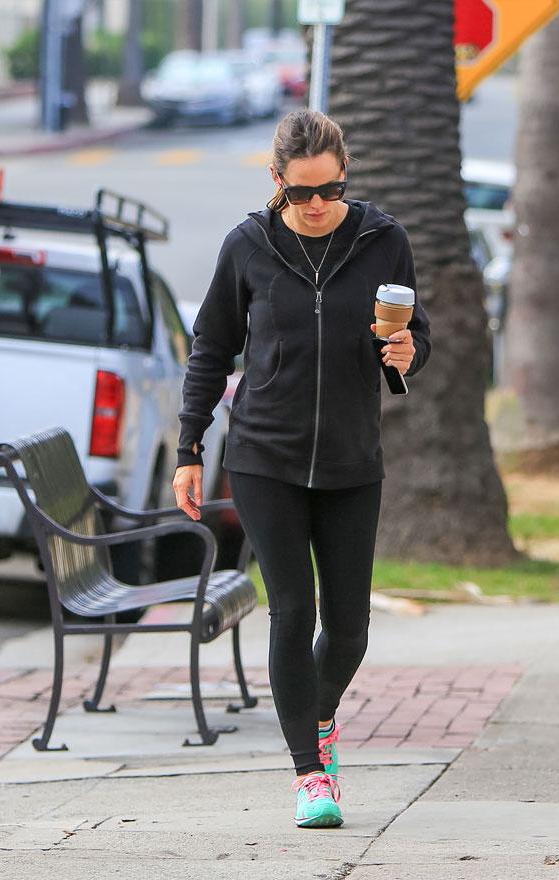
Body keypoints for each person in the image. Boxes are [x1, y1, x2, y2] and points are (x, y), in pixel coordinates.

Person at [173, 109, 432, 829]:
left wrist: (409, 354)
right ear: (277, 181)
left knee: (349, 628)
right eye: (300, 192)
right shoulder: (248, 246)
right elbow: (210, 348)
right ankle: (310, 776)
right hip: (265, 457)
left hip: (352, 459)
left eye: (329, 188)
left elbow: (417, 335)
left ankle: (316, 716)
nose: (316, 205)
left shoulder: (383, 242)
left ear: (344, 174)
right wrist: (190, 447)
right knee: (293, 610)